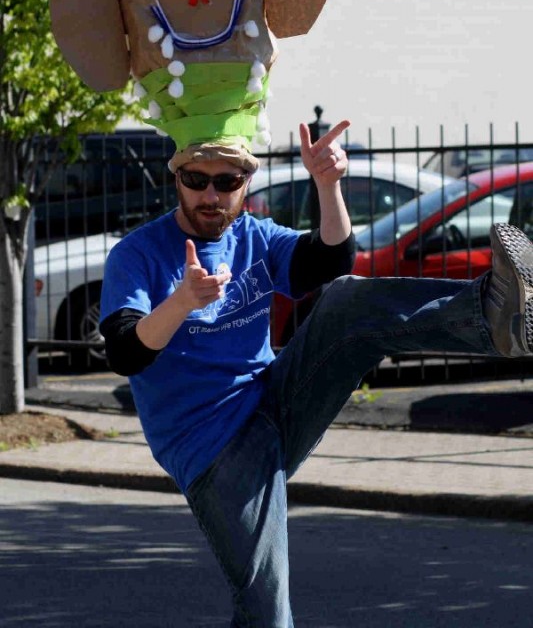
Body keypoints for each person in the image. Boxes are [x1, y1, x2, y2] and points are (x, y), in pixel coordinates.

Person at [99, 118, 533, 628]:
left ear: (246, 184)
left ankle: (493, 316)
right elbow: (126, 352)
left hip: (275, 401)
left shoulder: (254, 236)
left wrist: (328, 186)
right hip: (210, 446)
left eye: (226, 182)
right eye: (196, 181)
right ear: (177, 179)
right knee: (267, 607)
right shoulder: (137, 254)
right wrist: (181, 301)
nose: (210, 196)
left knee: (346, 302)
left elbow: (329, 260)